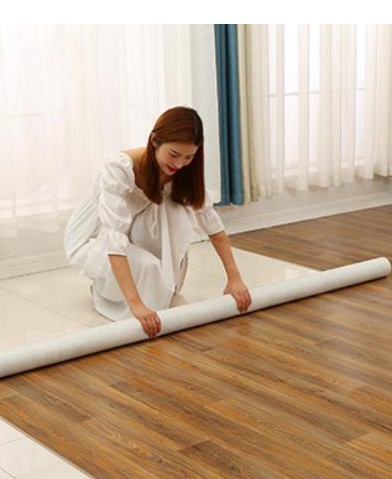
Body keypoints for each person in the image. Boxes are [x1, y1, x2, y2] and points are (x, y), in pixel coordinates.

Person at [64, 106, 252, 338]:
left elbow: (212, 225)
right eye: (174, 154)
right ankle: (106, 292)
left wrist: (234, 278)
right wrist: (136, 304)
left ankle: (153, 294)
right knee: (148, 267)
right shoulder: (119, 169)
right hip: (91, 236)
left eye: (189, 157)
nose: (180, 164)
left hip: (127, 231)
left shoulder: (179, 170)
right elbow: (114, 238)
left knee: (177, 210)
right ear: (154, 140)